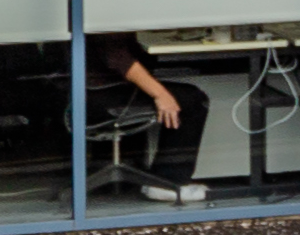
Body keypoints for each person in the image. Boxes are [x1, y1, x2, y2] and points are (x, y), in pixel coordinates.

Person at [85, 32, 210, 204]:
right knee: (192, 100)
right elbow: (119, 60)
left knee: (178, 94)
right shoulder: (106, 25)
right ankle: (168, 182)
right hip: (101, 94)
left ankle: (151, 177)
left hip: (86, 92)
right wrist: (160, 94)